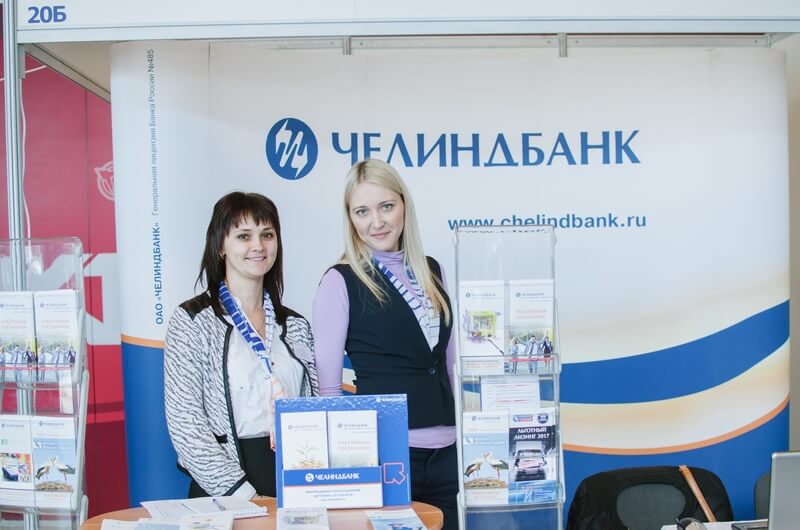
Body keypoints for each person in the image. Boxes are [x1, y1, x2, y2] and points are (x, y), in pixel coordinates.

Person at [313, 159, 458, 530]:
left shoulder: (432, 270)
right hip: (388, 458)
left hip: (449, 456)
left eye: (386, 206)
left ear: (404, 205)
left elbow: (450, 365)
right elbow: (329, 390)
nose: (376, 222)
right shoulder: (340, 281)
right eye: (362, 211)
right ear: (350, 218)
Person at [164, 192, 319, 499]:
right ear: (221, 246)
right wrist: (241, 495)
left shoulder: (296, 325)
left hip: (297, 481)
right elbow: (185, 422)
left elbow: (316, 409)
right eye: (244, 236)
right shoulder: (192, 320)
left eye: (267, 235)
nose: (258, 246)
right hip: (224, 489)